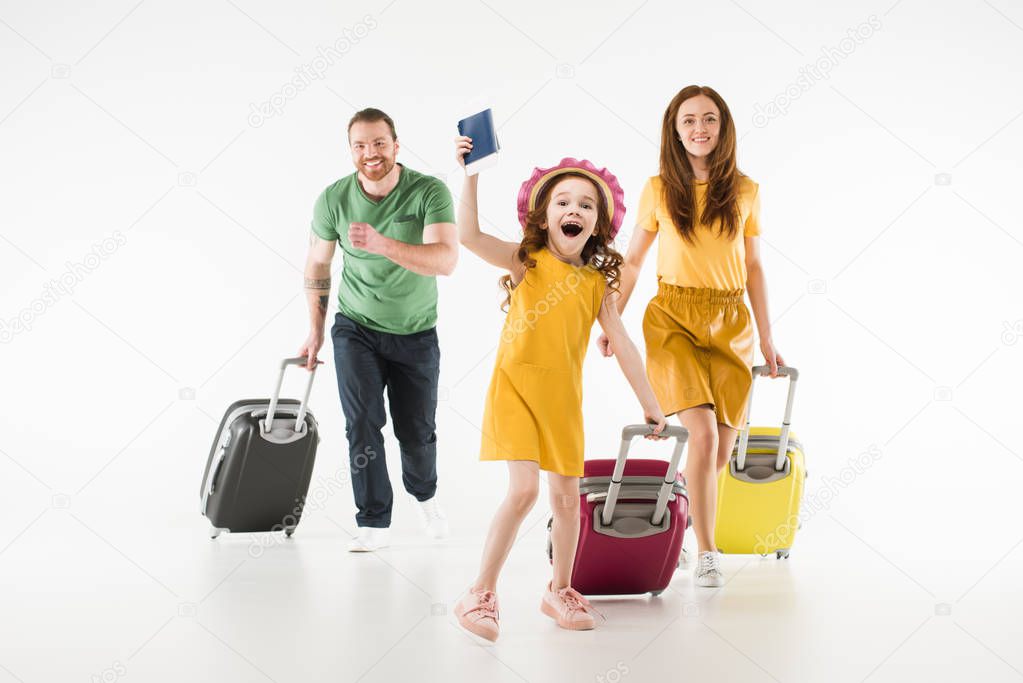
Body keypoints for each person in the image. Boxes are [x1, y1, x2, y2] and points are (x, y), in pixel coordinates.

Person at [451, 136, 667, 641]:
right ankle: (480, 593)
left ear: (597, 223)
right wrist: (471, 173)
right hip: (515, 390)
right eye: (564, 202)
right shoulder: (525, 260)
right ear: (544, 215)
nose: (575, 210)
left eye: (586, 205)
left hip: (563, 401)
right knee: (524, 491)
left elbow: (624, 346)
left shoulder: (597, 284)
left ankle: (559, 589)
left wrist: (652, 406)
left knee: (568, 502)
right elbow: (467, 234)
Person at [598, 85, 787, 587]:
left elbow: (753, 266)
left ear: (722, 128)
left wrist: (767, 335)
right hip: (673, 318)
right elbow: (634, 259)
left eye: (708, 119)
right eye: (688, 121)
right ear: (674, 130)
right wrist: (612, 318)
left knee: (718, 454)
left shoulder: (746, 191)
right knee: (700, 436)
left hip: (731, 323)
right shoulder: (658, 188)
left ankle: (680, 525)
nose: (698, 129)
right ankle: (707, 553)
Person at [299, 108, 458, 552]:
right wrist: (315, 329)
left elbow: (446, 260)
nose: (371, 153)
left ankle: (424, 495)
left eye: (379, 143)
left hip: (416, 331)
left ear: (396, 145)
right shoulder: (333, 199)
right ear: (351, 149)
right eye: (361, 145)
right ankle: (373, 520)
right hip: (356, 328)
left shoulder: (429, 192)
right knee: (363, 423)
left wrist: (383, 243)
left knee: (417, 432)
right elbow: (317, 264)